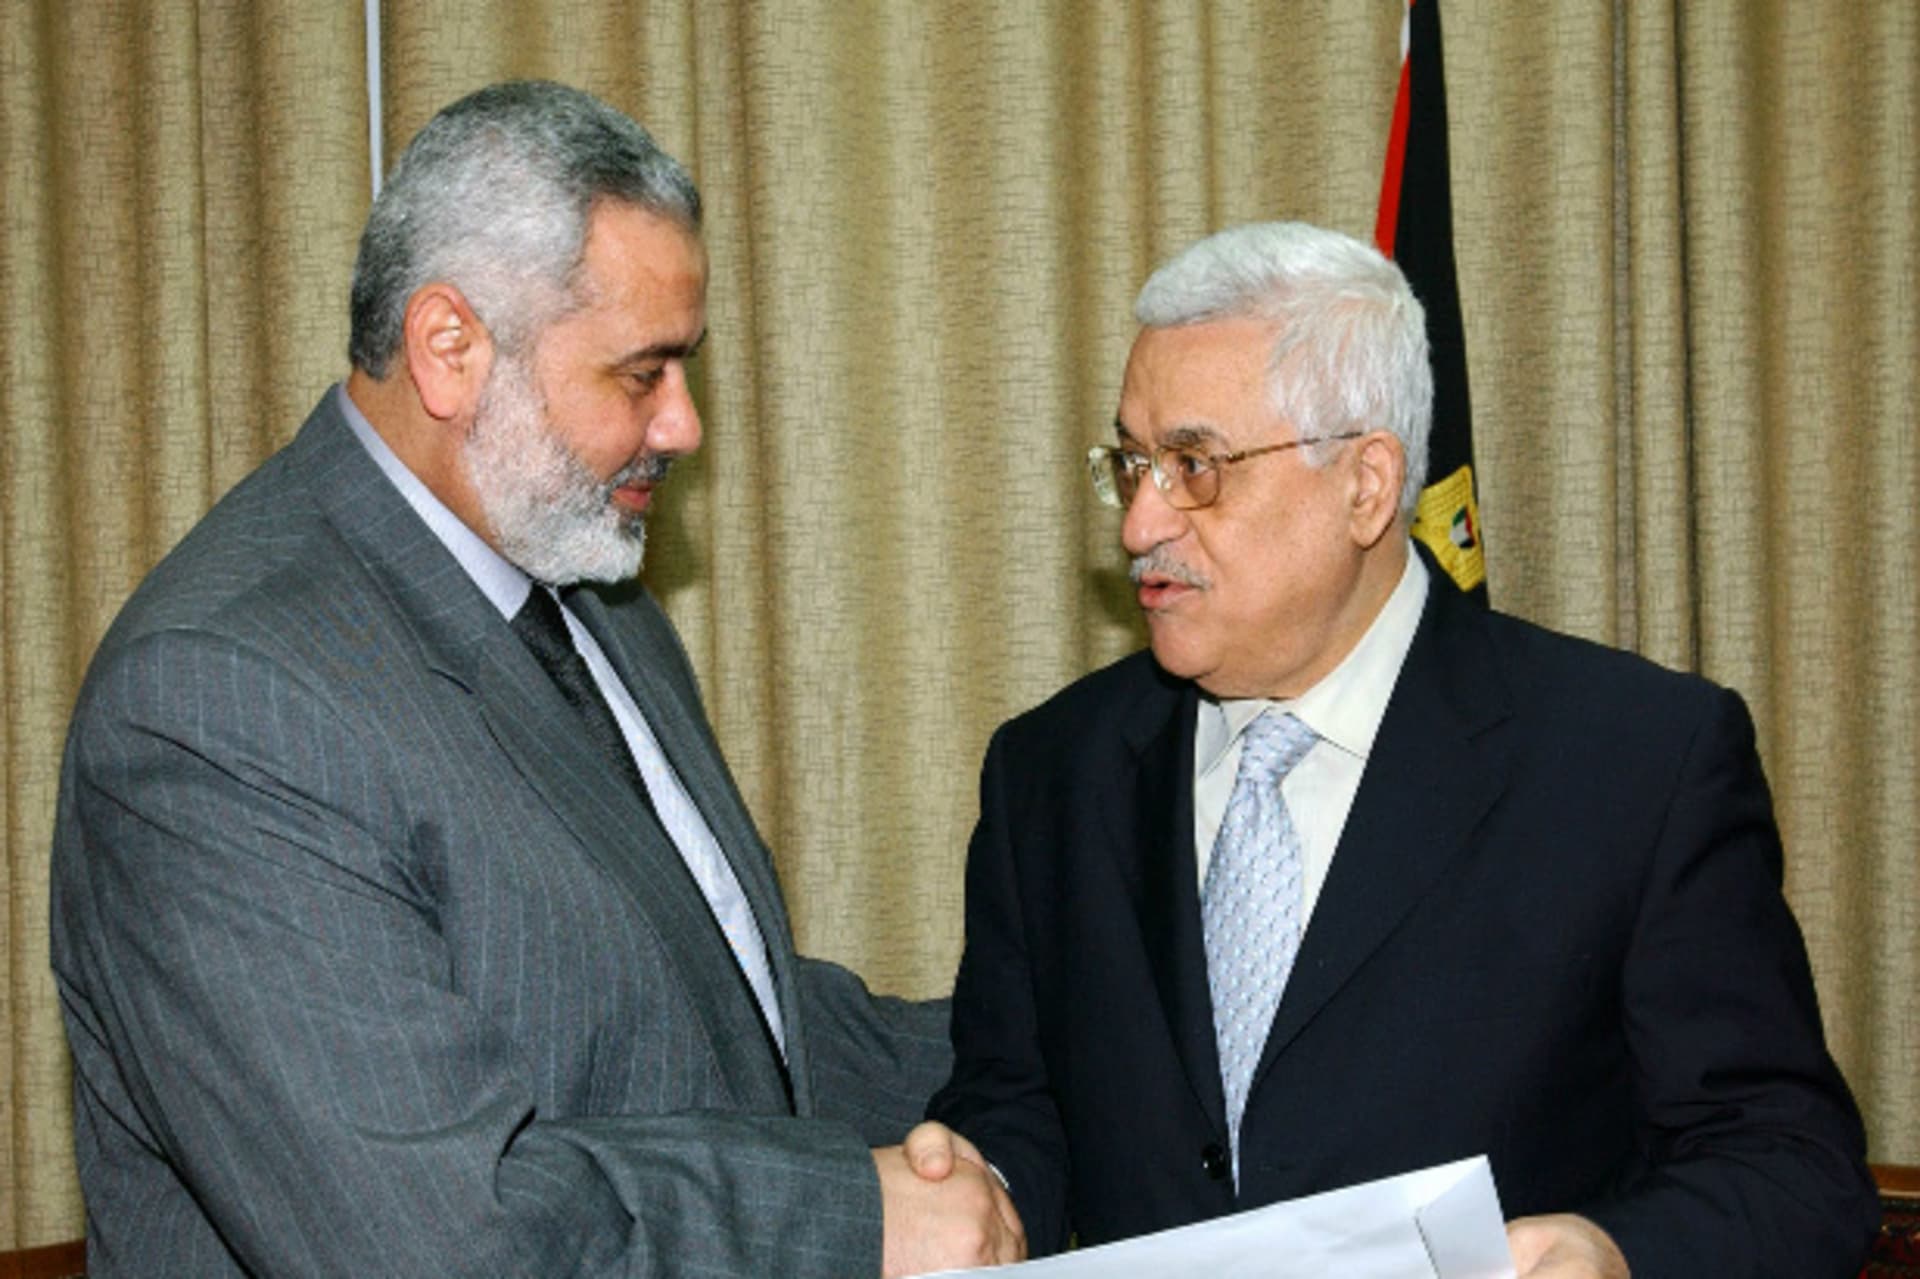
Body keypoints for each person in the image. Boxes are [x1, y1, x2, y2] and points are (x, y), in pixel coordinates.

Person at [50, 80, 1020, 1278]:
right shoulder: (217, 704)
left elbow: (705, 1009)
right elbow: (436, 1237)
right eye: (641, 374)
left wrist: (1078, 1024)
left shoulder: (584, 580)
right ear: (450, 349)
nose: (684, 427)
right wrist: (847, 1215)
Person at [926, 221, 1877, 1277]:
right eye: (1133, 462)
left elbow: (1792, 1166)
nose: (1140, 522)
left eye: (1194, 465)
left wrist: (1613, 1251)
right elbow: (1016, 1105)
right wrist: (981, 1193)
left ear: (1367, 485)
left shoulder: (1635, 762)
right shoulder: (1050, 772)